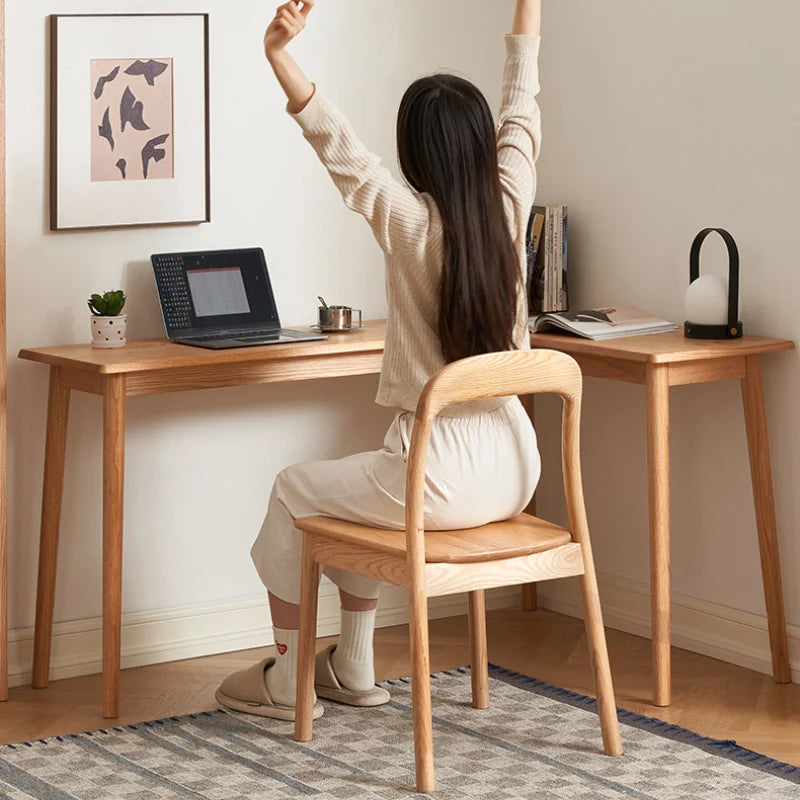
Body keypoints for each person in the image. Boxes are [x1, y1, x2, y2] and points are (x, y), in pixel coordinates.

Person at [216, 0, 543, 721]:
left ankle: (286, 673)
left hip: (442, 475)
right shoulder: (512, 201)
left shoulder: (410, 222)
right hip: (518, 468)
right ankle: (355, 663)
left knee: (295, 491)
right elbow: (524, 96)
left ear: (417, 154)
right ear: (483, 143)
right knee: (361, 486)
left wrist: (278, 53)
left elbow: (339, 147)